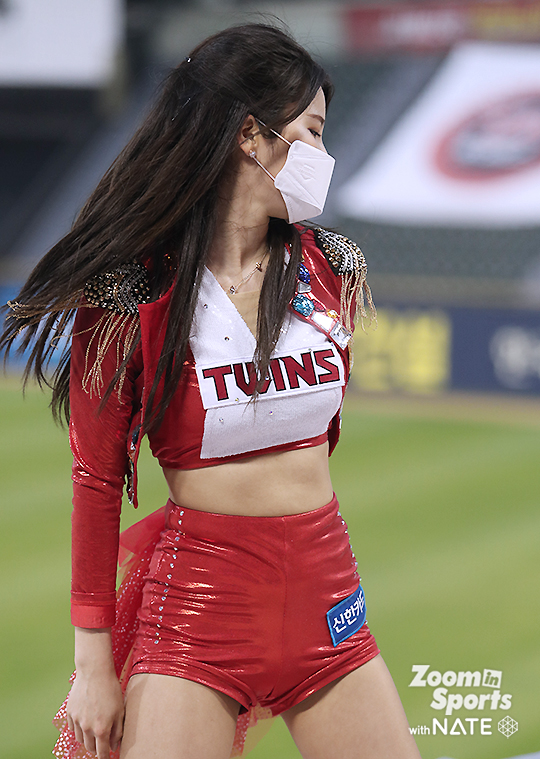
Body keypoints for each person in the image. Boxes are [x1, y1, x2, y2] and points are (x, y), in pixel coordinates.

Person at [1, 23, 421, 759]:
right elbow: (96, 479)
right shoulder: (133, 291)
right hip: (197, 616)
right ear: (250, 136)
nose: (323, 158)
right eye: (312, 132)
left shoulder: (334, 267)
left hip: (329, 604)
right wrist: (92, 667)